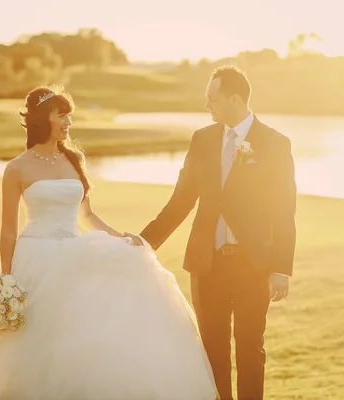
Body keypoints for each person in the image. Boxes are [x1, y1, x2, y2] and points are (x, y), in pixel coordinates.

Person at [0, 85, 217, 400]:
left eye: (70, 116)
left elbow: (88, 214)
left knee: (77, 338)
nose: (68, 123)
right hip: (34, 257)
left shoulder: (75, 158)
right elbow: (8, 231)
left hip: (73, 254)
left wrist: (118, 236)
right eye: (62, 115)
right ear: (44, 118)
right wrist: (7, 277)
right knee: (31, 341)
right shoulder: (16, 168)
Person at [125, 65, 297, 400]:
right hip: (207, 265)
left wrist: (281, 268)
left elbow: (284, 210)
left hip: (254, 265)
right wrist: (146, 240)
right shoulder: (202, 139)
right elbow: (182, 199)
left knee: (250, 349)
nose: (207, 106)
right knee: (211, 351)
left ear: (235, 99)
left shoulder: (275, 143)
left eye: (212, 99)